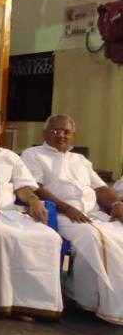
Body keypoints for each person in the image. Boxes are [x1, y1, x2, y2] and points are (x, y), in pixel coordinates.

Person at [21, 115, 123, 324]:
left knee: (117, 234)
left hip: (93, 213)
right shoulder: (33, 155)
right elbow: (35, 188)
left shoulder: (80, 160)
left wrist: (116, 204)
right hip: (59, 215)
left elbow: (100, 188)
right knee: (94, 238)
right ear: (45, 134)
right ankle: (93, 300)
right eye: (55, 131)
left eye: (66, 132)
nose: (61, 135)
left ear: (73, 135)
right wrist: (67, 208)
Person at [0, 109, 63, 319]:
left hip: (10, 213)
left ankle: (37, 304)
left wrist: (33, 200)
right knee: (1, 236)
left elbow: (23, 187)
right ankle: (0, 301)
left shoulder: (10, 157)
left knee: (49, 237)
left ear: (1, 127)